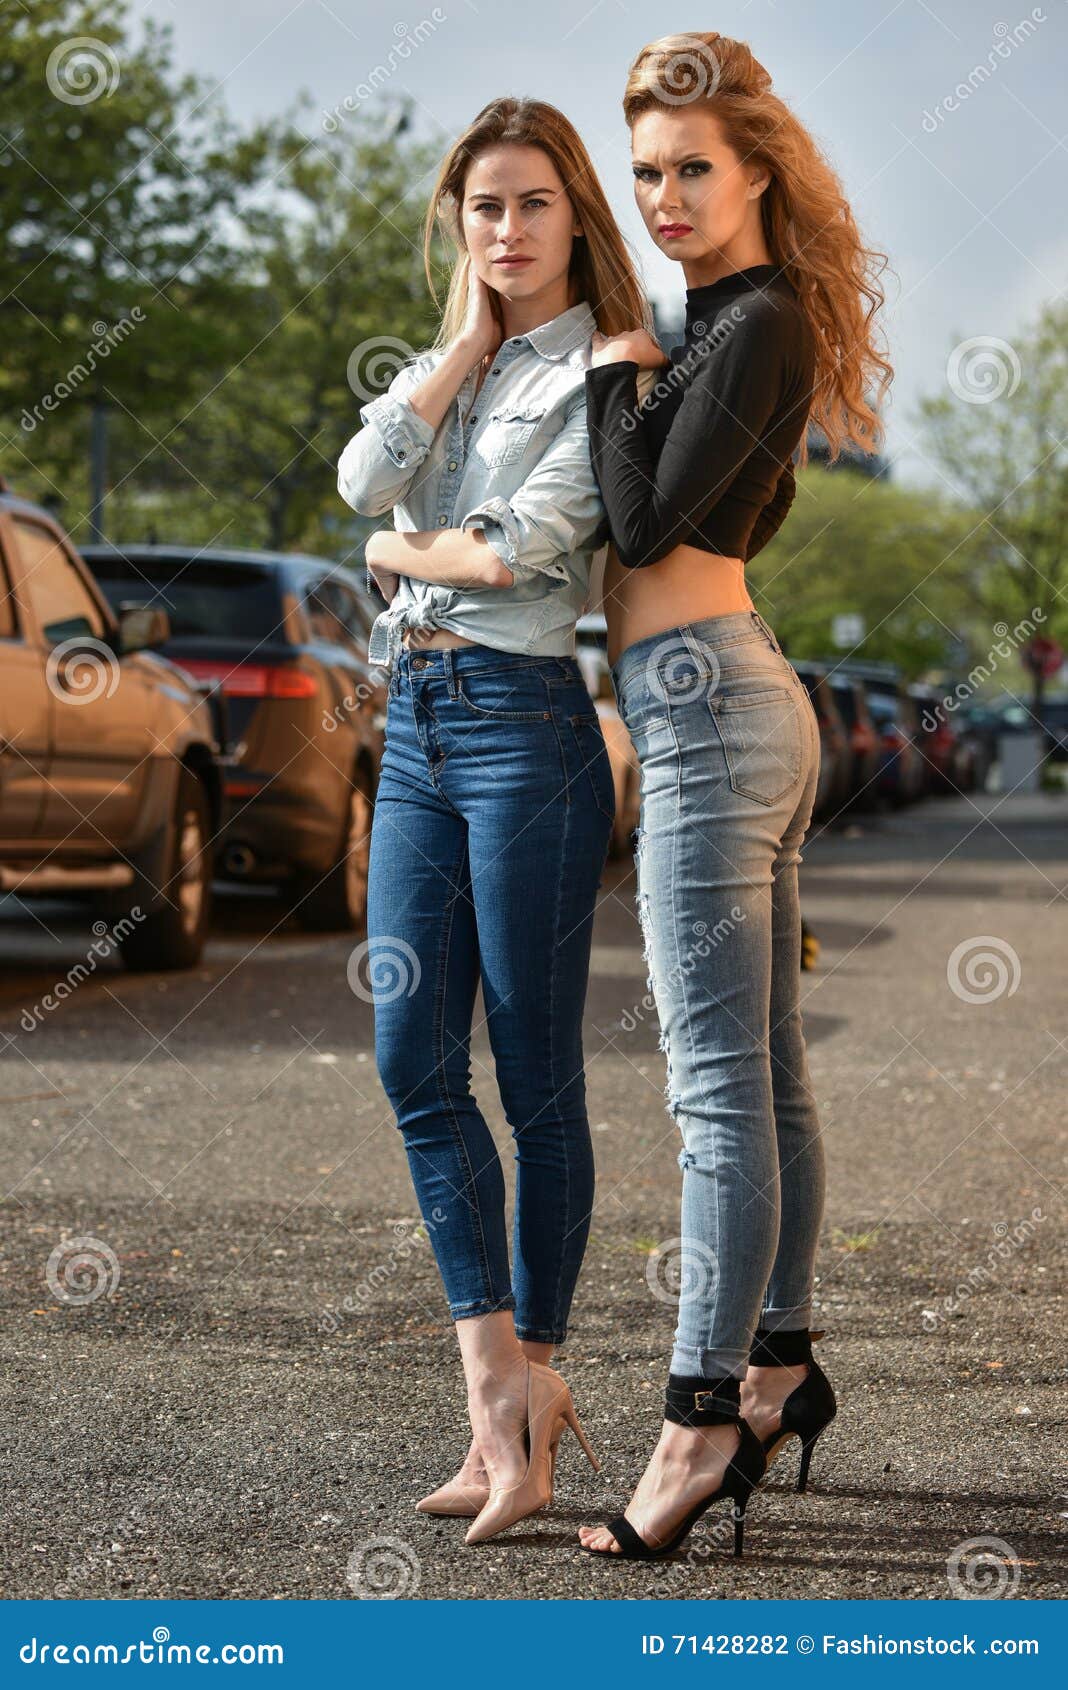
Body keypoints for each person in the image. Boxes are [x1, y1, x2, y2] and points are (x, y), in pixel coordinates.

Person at [576, 32, 892, 1560]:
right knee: (764, 1074)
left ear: (759, 170)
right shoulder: (718, 321)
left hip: (710, 710)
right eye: (643, 172)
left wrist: (604, 381)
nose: (663, 195)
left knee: (718, 1087)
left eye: (692, 167)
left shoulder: (749, 325)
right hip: (728, 694)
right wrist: (644, 362)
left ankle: (700, 1419)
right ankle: (779, 1364)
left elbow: (639, 519)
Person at [337, 97, 654, 1547]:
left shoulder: (610, 368)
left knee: (532, 1073)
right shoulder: (452, 365)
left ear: (574, 214)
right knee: (412, 1049)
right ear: (460, 226)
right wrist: (463, 343)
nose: (508, 231)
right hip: (414, 723)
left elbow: (512, 549)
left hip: (529, 723)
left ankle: (533, 1398)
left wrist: (396, 551)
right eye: (483, 209)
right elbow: (359, 474)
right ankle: (498, 1400)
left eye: (531, 205)